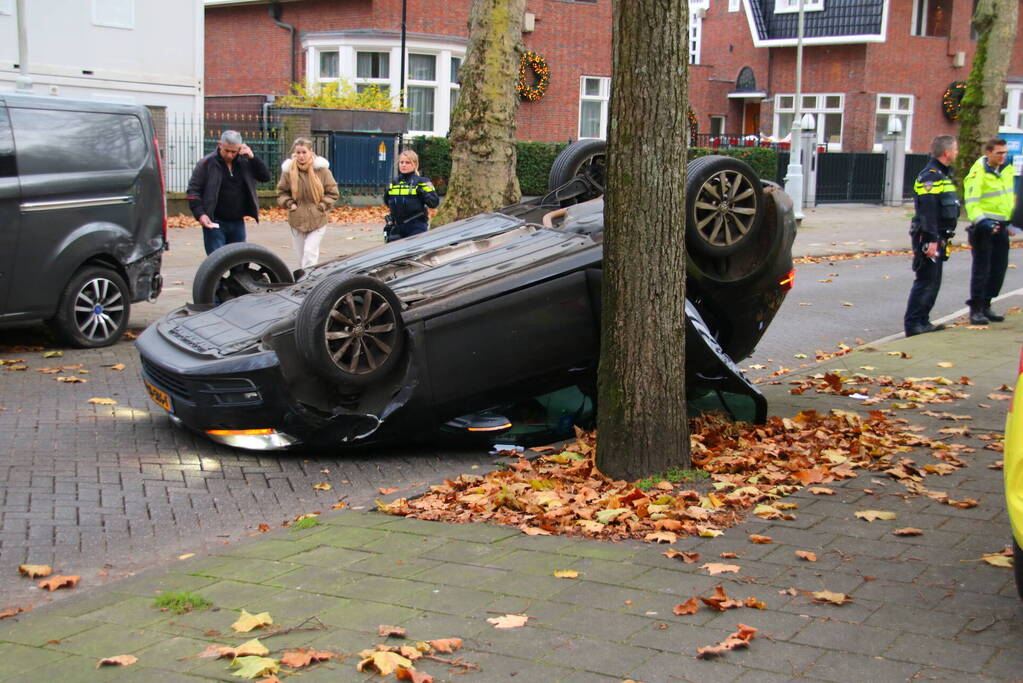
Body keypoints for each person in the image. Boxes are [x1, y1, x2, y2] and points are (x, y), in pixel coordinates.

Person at [903, 134, 960, 337]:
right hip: (929, 236)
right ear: (947, 152)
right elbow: (928, 211)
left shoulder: (943, 174)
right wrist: (931, 240)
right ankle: (914, 324)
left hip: (938, 235)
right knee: (926, 280)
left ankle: (923, 320)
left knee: (933, 281)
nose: (957, 152)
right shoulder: (931, 176)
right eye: (955, 149)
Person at [186, 130, 271, 255]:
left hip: (237, 222)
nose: (230, 155)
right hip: (214, 221)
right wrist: (201, 214)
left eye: (234, 151)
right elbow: (193, 190)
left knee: (239, 262)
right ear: (219, 145)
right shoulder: (206, 163)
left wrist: (252, 157)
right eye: (227, 151)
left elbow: (265, 177)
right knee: (217, 262)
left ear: (240, 148)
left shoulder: (245, 161)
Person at [963, 137, 1017, 325]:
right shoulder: (978, 173)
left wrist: (1010, 221)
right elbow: (971, 202)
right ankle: (976, 309)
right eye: (999, 153)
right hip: (984, 227)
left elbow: (1008, 197)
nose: (1003, 156)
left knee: (998, 269)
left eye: (1005, 152)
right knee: (982, 269)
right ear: (988, 153)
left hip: (1002, 226)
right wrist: (982, 222)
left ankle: (986, 304)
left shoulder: (1007, 169)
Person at [276, 138, 340, 269]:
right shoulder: (288, 172)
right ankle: (302, 282)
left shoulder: (322, 170)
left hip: (317, 219)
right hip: (297, 219)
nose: (301, 156)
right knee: (300, 258)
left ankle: (309, 283)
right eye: (298, 152)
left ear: (311, 151)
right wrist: (289, 204)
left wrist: (322, 206)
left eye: (304, 152)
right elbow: (281, 192)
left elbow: (333, 192)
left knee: (309, 254)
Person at [383, 150, 439, 242]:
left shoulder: (422, 181)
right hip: (397, 227)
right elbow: (388, 202)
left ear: (415, 164)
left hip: (416, 226)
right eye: (401, 162)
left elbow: (434, 203)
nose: (404, 165)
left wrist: (422, 192)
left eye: (407, 162)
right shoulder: (393, 182)